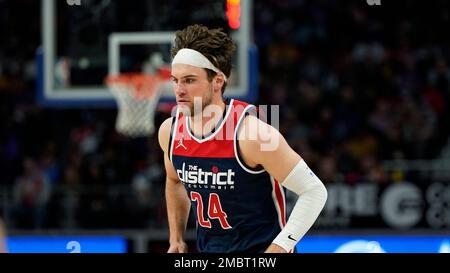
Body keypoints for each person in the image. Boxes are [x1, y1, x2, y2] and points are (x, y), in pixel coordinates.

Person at [158, 24, 327, 253]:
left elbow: (314, 191)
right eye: (175, 80)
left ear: (217, 81)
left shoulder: (252, 134)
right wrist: (176, 238)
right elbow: (174, 181)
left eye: (189, 80)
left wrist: (281, 247)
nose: (178, 90)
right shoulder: (170, 131)